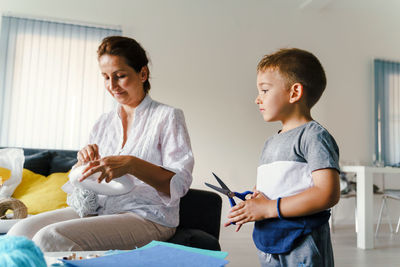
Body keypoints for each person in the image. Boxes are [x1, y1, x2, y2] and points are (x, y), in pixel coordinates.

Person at [8, 36, 194, 252]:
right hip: (100, 209)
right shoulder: (103, 123)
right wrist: (84, 166)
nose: (112, 85)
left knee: (49, 238)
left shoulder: (168, 117)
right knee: (18, 234)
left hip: (148, 216)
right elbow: (85, 191)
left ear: (143, 73)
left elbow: (180, 183)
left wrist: (132, 164)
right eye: (106, 77)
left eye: (120, 76)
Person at [224, 48, 340, 267]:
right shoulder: (270, 142)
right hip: (270, 238)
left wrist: (268, 208)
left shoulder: (313, 135)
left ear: (294, 92)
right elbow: (272, 189)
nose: (257, 99)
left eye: (265, 90)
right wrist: (252, 204)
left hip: (302, 240)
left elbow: (328, 193)